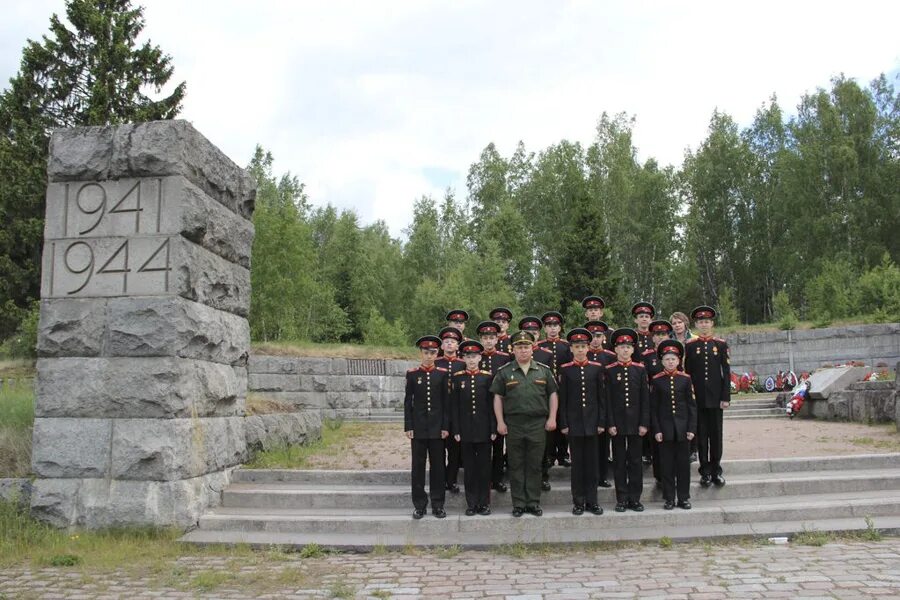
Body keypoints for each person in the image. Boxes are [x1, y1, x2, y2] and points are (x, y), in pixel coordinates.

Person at [491, 330, 559, 517]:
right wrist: (500, 422)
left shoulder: (544, 370)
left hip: (538, 424)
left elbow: (553, 394)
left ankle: (533, 502)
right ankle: (519, 503)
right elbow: (498, 398)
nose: (523, 351)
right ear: (513, 350)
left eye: (526, 347)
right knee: (516, 464)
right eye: (519, 347)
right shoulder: (504, 372)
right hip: (514, 424)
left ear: (532, 349)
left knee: (535, 464)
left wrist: (552, 418)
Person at [558, 328, 606, 516]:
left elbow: (601, 398)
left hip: (593, 423)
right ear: (571, 349)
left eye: (583, 346)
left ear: (588, 348)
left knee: (592, 466)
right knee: (577, 466)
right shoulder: (565, 370)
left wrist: (601, 421)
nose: (580, 350)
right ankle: (578, 501)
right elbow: (563, 400)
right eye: (576, 347)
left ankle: (592, 501)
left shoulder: (596, 368)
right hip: (575, 423)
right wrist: (564, 423)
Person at [684, 305, 731, 487]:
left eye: (707, 321)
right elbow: (687, 373)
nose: (704, 325)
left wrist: (725, 397)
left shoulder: (720, 344)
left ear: (712, 323)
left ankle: (716, 470)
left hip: (716, 398)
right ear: (696, 324)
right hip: (698, 399)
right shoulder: (690, 345)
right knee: (701, 436)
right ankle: (704, 471)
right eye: (701, 322)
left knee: (716, 435)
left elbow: (725, 372)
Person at [405, 335, 450, 519]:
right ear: (421, 353)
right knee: (418, 467)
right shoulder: (413, 374)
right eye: (426, 352)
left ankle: (438, 504)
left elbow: (447, 404)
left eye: (432, 352)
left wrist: (445, 426)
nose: (429, 356)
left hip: (437, 428)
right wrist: (408, 425)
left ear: (437, 353)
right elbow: (408, 402)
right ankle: (419, 505)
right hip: (419, 428)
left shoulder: (442, 374)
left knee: (438, 467)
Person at [606, 327, 650, 512]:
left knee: (635, 462)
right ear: (615, 350)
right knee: (619, 462)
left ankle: (635, 498)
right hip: (617, 423)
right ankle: (622, 498)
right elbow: (606, 399)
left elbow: (645, 399)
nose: (625, 350)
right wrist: (610, 423)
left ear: (633, 350)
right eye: (621, 347)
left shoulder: (640, 370)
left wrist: (644, 423)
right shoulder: (609, 370)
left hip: (635, 423)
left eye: (628, 347)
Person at [451, 340, 497, 516]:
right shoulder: (458, 377)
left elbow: (492, 405)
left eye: (474, 357)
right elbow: (454, 407)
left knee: (484, 468)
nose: (471, 360)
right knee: (469, 469)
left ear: (480, 357)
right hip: (465, 431)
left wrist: (493, 428)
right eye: (468, 357)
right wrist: (456, 430)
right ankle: (471, 504)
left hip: (484, 430)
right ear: (463, 358)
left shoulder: (487, 377)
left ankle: (484, 503)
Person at [650, 340, 697, 510]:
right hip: (665, 429)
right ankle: (669, 498)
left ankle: (683, 497)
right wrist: (657, 430)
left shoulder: (685, 379)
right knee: (667, 466)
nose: (670, 362)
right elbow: (653, 408)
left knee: (683, 465)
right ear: (662, 361)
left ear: (679, 361)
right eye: (667, 359)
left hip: (683, 430)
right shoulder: (656, 380)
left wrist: (692, 428)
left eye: (673, 359)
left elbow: (692, 406)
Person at [476, 320, 512, 492]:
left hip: (501, 405)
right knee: (482, 445)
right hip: (481, 407)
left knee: (498, 444)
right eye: (485, 338)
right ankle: (483, 478)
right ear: (481, 340)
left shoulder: (505, 358)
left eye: (492, 337)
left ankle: (497, 479)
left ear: (497, 339)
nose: (489, 341)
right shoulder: (475, 356)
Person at [539, 311, 573, 471]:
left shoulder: (566, 346)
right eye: (549, 326)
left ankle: (563, 454)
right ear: (545, 328)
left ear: (560, 327)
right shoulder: (539, 346)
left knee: (563, 420)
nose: (553, 329)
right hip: (545, 391)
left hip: (563, 389)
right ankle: (550, 455)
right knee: (549, 423)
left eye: (556, 325)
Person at [641, 320, 673, 477]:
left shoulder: (674, 355)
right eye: (657, 335)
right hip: (654, 402)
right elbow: (644, 380)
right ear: (652, 338)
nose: (660, 337)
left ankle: (670, 474)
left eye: (663, 334)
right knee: (656, 439)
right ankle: (659, 476)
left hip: (671, 404)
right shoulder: (647, 356)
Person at [585, 320, 615, 488]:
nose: (595, 340)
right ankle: (590, 475)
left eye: (598, 336)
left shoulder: (610, 356)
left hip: (605, 403)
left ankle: (602, 475)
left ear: (604, 337)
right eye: (593, 336)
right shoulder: (583, 354)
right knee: (589, 444)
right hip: (588, 404)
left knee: (604, 444)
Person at [436, 326, 465, 494]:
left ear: (457, 346)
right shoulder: (435, 362)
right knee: (439, 452)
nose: (449, 345)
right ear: (441, 346)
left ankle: (451, 480)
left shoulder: (462, 364)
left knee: (455, 452)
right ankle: (440, 480)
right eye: (446, 342)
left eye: (452, 342)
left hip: (456, 413)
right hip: (439, 412)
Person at [670, 311, 697, 463]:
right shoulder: (669, 340)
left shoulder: (694, 339)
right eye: (674, 323)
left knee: (691, 414)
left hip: (690, 380)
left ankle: (693, 448)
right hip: (674, 381)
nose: (677, 325)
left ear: (685, 323)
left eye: (679, 322)